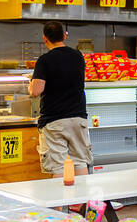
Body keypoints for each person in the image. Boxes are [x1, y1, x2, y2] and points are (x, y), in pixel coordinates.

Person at [29, 21, 91, 176]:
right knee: (80, 162)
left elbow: (36, 91)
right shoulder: (78, 56)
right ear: (64, 36)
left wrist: (30, 84)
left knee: (57, 166)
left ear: (45, 38)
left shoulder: (44, 60)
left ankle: (61, 201)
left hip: (55, 121)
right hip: (78, 119)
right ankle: (82, 200)